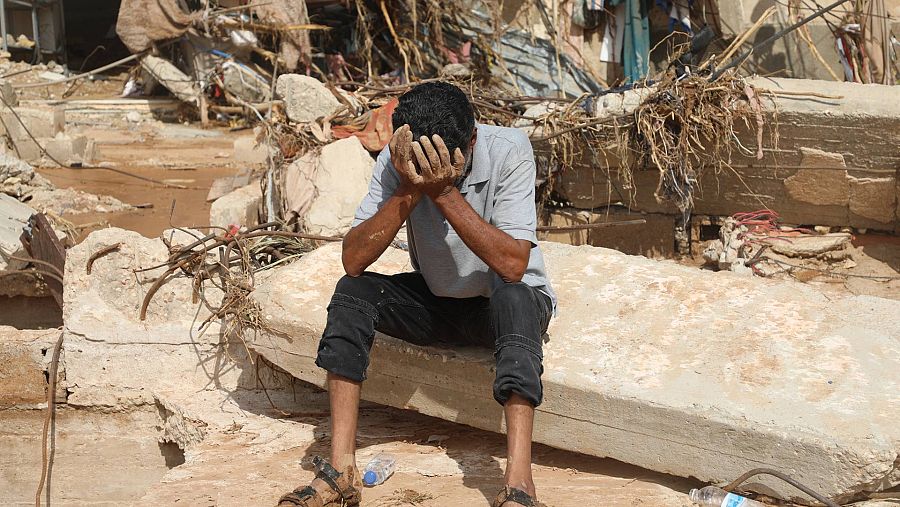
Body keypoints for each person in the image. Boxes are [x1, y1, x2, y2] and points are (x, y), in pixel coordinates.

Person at [277, 81, 556, 507]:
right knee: (353, 292)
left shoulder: (509, 149)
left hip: (505, 301)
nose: (432, 166)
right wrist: (408, 188)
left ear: (474, 138)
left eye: (447, 159)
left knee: (514, 297)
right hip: (437, 302)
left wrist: (444, 192)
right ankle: (340, 470)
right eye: (419, 158)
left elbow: (514, 265)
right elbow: (353, 259)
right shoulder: (398, 161)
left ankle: (519, 483)